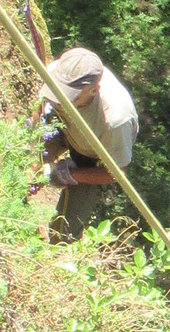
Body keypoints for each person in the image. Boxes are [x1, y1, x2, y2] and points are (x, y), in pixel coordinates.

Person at [38, 42, 139, 240]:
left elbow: (117, 173)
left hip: (94, 156)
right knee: (24, 162)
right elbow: (40, 103)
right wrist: (34, 143)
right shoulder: (57, 73)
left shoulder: (116, 120)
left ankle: (58, 246)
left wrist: (69, 174)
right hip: (64, 127)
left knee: (65, 231)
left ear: (93, 91)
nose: (59, 99)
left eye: (68, 96)